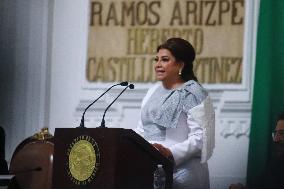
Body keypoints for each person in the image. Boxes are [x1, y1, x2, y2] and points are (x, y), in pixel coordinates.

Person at [135, 37, 215, 189]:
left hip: (185, 176)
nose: (158, 65)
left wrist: (169, 153)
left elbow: (202, 138)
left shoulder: (194, 92)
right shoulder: (152, 91)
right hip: (153, 174)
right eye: (156, 59)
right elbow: (142, 130)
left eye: (164, 60)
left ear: (180, 64)